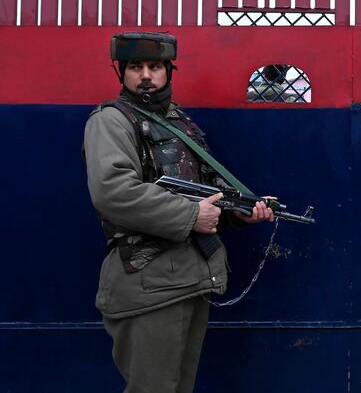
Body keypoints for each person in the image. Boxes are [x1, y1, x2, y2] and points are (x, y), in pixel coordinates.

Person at [83, 32, 275, 392]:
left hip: (189, 279)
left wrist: (240, 211)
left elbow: (207, 191)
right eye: (135, 67)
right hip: (148, 281)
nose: (145, 75)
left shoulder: (179, 123)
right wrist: (190, 217)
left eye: (154, 66)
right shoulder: (111, 121)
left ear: (168, 71)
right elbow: (114, 192)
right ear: (121, 73)